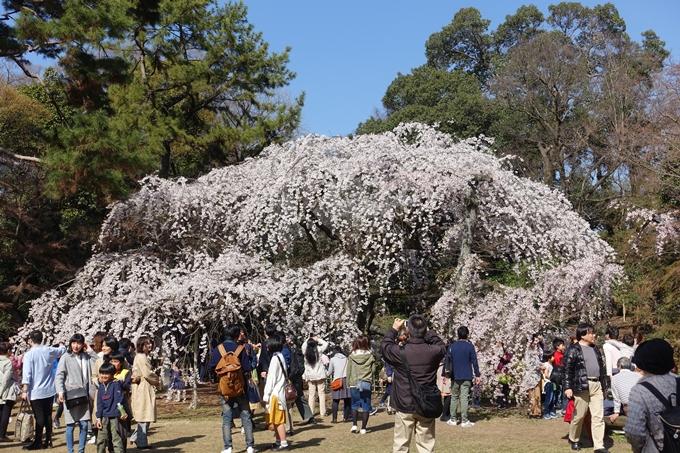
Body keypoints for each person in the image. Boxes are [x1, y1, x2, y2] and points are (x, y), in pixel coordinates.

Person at [380, 315, 446, 453]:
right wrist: (429, 332)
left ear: (408, 330)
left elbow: (385, 347)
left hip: (404, 402)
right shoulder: (433, 352)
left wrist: (394, 330)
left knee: (401, 445)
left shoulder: (400, 352)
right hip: (426, 403)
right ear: (425, 330)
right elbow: (441, 346)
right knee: (426, 447)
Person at [625, 338, 678, 453]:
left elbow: (634, 432)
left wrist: (638, 449)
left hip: (655, 448)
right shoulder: (678, 382)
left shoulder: (639, 391)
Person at [209, 325, 255, 453]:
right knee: (246, 416)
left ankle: (228, 447)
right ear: (236, 335)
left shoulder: (219, 349)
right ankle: (250, 446)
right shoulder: (240, 349)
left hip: (225, 389)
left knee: (226, 418)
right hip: (240, 387)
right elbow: (247, 368)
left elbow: (212, 367)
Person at [563, 323, 608, 453]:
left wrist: (603, 387)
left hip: (596, 385)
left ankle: (599, 445)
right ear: (583, 335)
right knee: (579, 415)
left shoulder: (595, 349)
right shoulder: (573, 350)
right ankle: (574, 438)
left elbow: (601, 370)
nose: (594, 335)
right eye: (591, 333)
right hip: (581, 385)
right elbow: (567, 370)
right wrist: (568, 387)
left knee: (598, 416)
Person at [20, 330, 66, 450]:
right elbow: (62, 350)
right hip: (49, 389)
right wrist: (61, 343)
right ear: (42, 339)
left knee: (39, 416)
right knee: (47, 415)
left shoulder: (29, 354)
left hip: (35, 391)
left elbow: (27, 374)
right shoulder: (49, 350)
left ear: (30, 340)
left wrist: (24, 390)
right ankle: (49, 439)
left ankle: (38, 441)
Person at [55, 334, 98, 453]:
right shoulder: (66, 357)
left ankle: (81, 450)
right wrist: (60, 391)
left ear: (83, 344)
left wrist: (91, 351)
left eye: (79, 343)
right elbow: (59, 375)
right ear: (70, 343)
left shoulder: (87, 357)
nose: (76, 346)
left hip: (84, 395)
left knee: (84, 424)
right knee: (70, 425)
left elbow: (99, 364)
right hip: (71, 394)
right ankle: (70, 451)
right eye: (74, 343)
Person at [444, 326, 480, 427]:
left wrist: (444, 374)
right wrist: (477, 375)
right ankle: (464, 420)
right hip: (466, 375)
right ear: (467, 335)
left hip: (455, 375)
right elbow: (474, 362)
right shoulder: (470, 347)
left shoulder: (452, 346)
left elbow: (447, 360)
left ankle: (453, 419)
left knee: (454, 397)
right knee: (464, 397)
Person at [130, 336, 160, 450]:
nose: (150, 346)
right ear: (141, 345)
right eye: (147, 344)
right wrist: (157, 380)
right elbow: (147, 374)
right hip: (142, 388)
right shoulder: (141, 357)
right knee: (144, 415)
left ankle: (136, 438)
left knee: (145, 414)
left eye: (150, 343)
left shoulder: (141, 357)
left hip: (142, 387)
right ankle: (141, 442)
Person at [261, 332, 289, 451]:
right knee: (275, 419)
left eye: (268, 344)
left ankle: (283, 443)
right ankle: (278, 441)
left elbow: (271, 379)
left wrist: (266, 394)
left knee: (278, 420)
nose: (266, 346)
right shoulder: (280, 356)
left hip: (276, 393)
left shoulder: (274, 359)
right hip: (279, 391)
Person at [284, 334, 315, 429]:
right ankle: (309, 416)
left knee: (290, 397)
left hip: (290, 376)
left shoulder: (286, 351)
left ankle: (287, 420)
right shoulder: (295, 350)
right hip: (297, 376)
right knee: (298, 396)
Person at [95, 363, 127, 453]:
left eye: (106, 373)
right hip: (104, 417)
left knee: (116, 440)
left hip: (115, 417)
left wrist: (121, 413)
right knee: (101, 440)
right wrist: (98, 418)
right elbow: (99, 404)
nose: (104, 376)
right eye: (102, 373)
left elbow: (119, 400)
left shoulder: (116, 385)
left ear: (112, 374)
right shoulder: (101, 387)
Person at [347, 334, 375, 434]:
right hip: (366, 383)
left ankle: (354, 425)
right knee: (366, 406)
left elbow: (349, 370)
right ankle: (363, 428)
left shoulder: (351, 356)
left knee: (354, 405)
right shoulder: (370, 356)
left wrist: (348, 382)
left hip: (354, 383)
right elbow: (373, 370)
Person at [605, 357, 640, 431]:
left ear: (619, 366)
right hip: (640, 407)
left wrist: (616, 413)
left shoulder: (615, 378)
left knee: (605, 404)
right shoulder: (639, 376)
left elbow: (616, 398)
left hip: (628, 408)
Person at [109, 351, 132, 452]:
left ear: (121, 363)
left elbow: (127, 386)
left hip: (122, 404)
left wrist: (118, 382)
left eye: (116, 361)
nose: (113, 363)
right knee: (110, 430)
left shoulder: (126, 373)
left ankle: (122, 449)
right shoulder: (107, 373)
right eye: (111, 361)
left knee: (122, 428)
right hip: (109, 405)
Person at [302, 336, 328, 419]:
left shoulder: (305, 352)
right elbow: (325, 344)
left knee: (311, 394)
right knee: (321, 393)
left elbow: (303, 345)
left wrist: (308, 339)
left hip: (310, 375)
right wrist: (318, 339)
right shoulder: (319, 350)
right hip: (320, 374)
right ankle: (323, 412)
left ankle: (311, 412)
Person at [327, 345, 351, 423]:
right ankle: (346, 418)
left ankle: (334, 419)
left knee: (335, 400)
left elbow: (329, 372)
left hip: (337, 380)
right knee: (347, 400)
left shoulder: (332, 359)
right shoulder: (347, 359)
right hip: (346, 379)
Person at [523, 334, 544, 419]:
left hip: (537, 374)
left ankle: (538, 412)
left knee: (538, 393)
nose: (535, 344)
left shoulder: (538, 349)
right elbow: (528, 364)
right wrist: (538, 367)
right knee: (532, 393)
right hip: (531, 374)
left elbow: (540, 358)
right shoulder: (528, 351)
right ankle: (532, 412)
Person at [0, 342, 17, 443]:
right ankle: (2, 435)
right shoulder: (8, 362)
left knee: (0, 412)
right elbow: (6, 379)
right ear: (8, 351)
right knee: (6, 413)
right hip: (6, 391)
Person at [542, 350, 557, 419]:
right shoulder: (546, 364)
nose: (554, 358)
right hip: (548, 383)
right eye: (552, 356)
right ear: (549, 358)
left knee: (553, 398)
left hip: (552, 383)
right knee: (549, 398)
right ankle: (546, 412)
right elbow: (546, 374)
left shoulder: (551, 365)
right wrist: (552, 378)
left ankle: (551, 411)